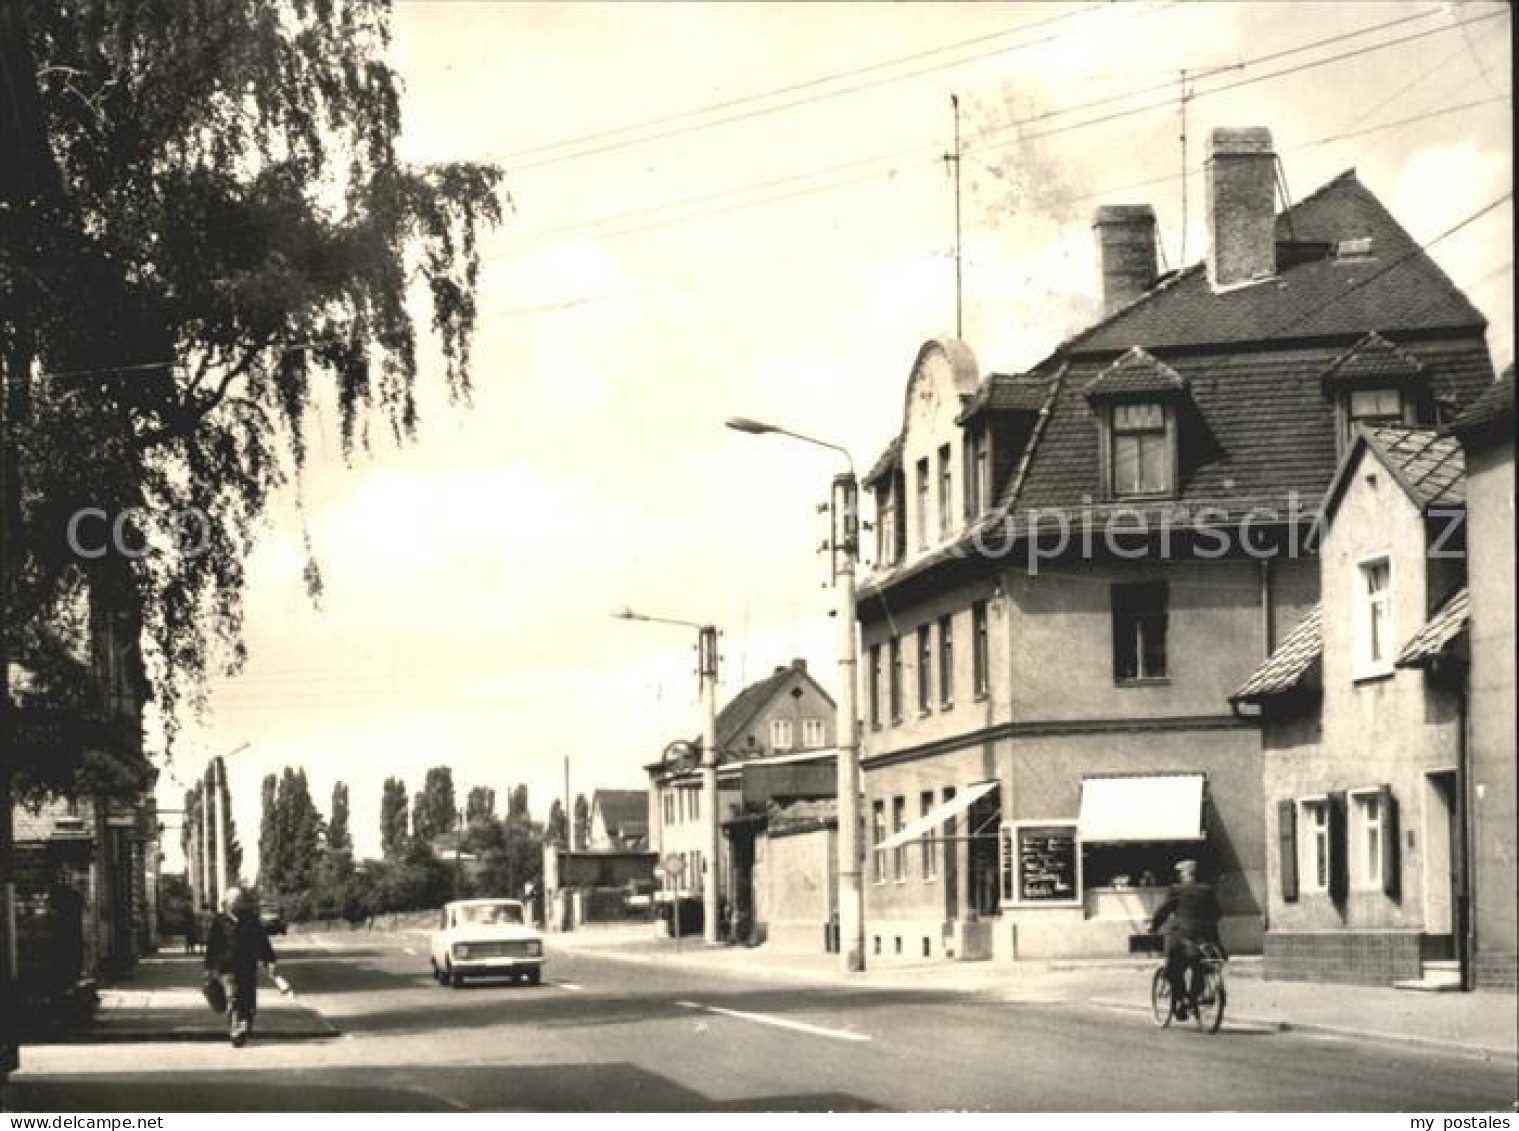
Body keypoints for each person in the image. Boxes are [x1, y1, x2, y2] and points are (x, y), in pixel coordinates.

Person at [1148, 859, 1222, 1021]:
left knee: (1174, 970)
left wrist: (1154, 927)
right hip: (1206, 937)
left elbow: (1164, 911)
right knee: (1199, 967)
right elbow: (1217, 913)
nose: (1180, 876)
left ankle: (1181, 1000)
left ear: (1185, 874)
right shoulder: (1207, 890)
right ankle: (1194, 998)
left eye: (1181, 873)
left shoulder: (1176, 890)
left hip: (1183, 937)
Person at [204, 887, 278, 1047]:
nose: (236, 905)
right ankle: (235, 1029)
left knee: (248, 1000)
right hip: (227, 966)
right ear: (227, 903)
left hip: (247, 966)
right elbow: (212, 945)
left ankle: (245, 1024)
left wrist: (269, 959)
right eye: (233, 902)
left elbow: (261, 940)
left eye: (239, 902)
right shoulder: (220, 921)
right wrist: (209, 968)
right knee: (233, 997)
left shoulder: (250, 920)